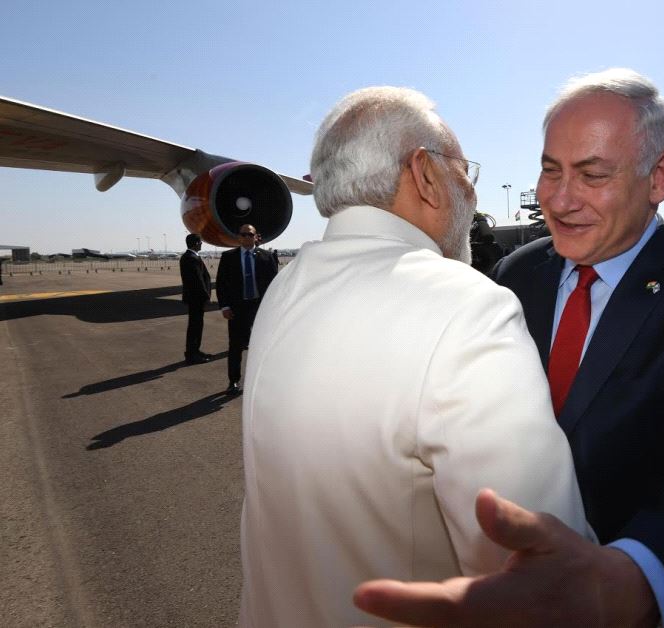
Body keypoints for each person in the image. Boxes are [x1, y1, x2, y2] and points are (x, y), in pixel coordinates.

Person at [355, 68, 664, 627]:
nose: (560, 200)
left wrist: (634, 574)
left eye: (592, 175)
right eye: (550, 170)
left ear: (659, 178)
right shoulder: (516, 273)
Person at [237, 86, 592, 628]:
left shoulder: (286, 289)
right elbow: (543, 581)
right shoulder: (468, 306)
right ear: (424, 174)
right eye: (463, 168)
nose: (470, 190)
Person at [215, 223, 278, 395]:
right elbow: (221, 284)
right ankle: (234, 381)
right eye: (243, 235)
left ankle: (262, 380)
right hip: (237, 308)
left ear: (256, 236)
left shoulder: (267, 257)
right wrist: (225, 306)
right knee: (235, 346)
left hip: (260, 308)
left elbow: (275, 284)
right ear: (238, 237)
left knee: (261, 345)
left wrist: (273, 307)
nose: (247, 237)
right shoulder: (228, 257)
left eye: (250, 234)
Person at [179, 234, 212, 364]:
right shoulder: (191, 258)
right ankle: (192, 354)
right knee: (195, 326)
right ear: (196, 243)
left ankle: (195, 351)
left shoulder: (190, 257)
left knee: (197, 325)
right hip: (196, 298)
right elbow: (197, 281)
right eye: (200, 242)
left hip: (195, 298)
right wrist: (206, 297)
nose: (202, 244)